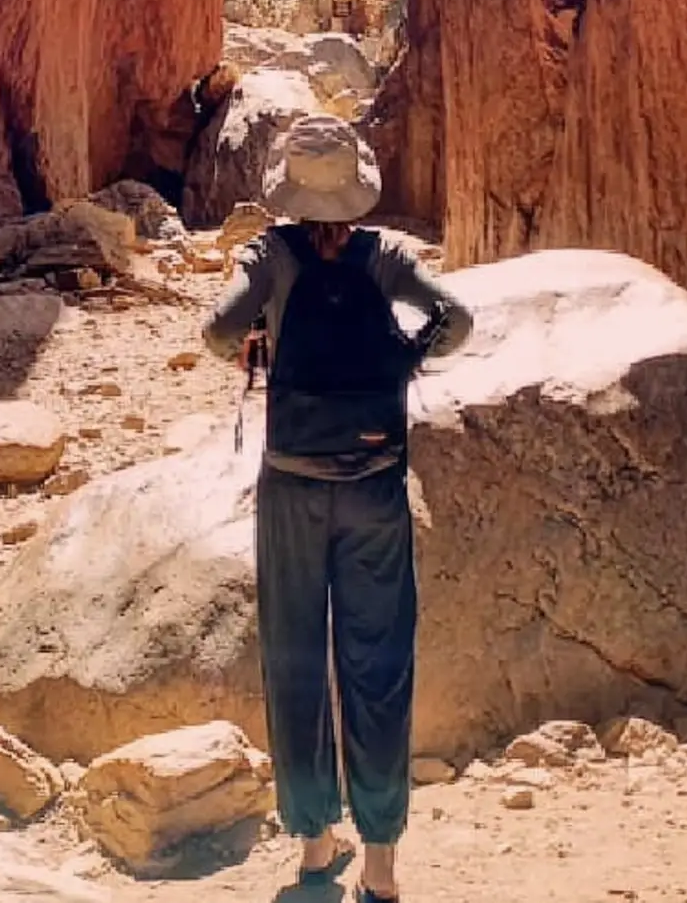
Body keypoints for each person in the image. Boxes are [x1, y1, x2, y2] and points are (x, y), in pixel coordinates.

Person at [202, 114, 472, 903]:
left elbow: (219, 330)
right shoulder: (384, 254)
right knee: (379, 664)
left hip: (292, 482)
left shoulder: (270, 255)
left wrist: (257, 346)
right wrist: (406, 359)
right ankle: (382, 863)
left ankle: (318, 845)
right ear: (356, 188)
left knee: (294, 659)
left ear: (288, 190)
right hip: (375, 482)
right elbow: (458, 319)